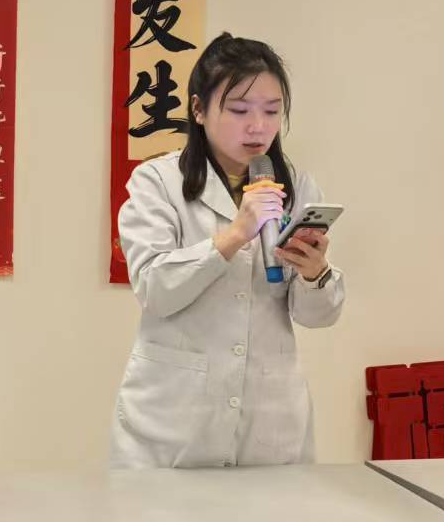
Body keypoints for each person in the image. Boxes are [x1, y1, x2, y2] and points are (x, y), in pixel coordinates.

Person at [110, 34, 345, 469]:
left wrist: (316, 275)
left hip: (269, 419)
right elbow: (154, 289)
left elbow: (317, 316)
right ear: (199, 109)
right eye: (239, 110)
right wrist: (235, 235)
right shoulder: (157, 182)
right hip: (175, 424)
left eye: (271, 111)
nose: (258, 126)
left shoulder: (296, 187)